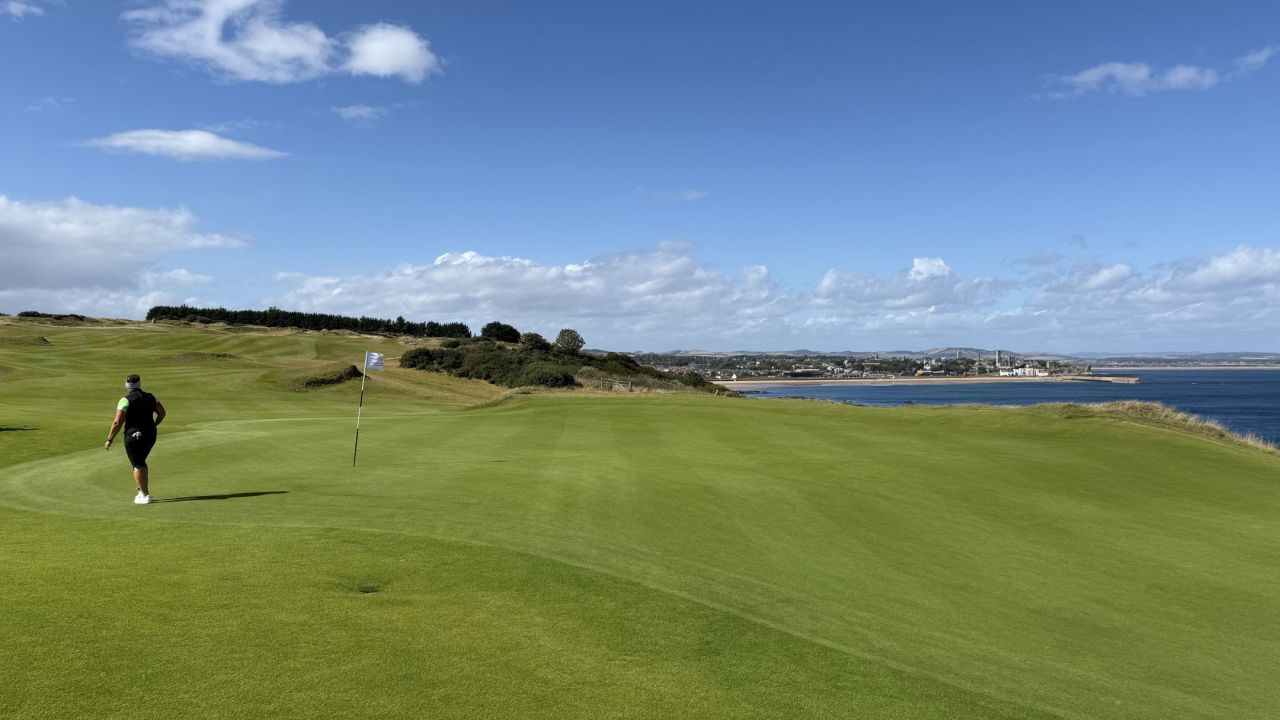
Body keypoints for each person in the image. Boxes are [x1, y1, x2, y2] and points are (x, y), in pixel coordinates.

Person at [105, 374, 166, 505]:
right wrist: (153, 425)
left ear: (127, 385)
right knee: (141, 461)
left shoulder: (125, 400)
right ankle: (142, 491)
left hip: (133, 436)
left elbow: (117, 422)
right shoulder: (151, 397)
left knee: (137, 464)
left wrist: (109, 439)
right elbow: (162, 413)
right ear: (139, 383)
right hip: (150, 435)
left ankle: (144, 495)